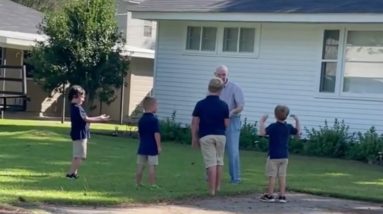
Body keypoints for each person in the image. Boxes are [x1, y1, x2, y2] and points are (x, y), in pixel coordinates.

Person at [191, 78, 230, 196]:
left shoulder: (200, 104)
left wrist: (194, 137)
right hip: (220, 135)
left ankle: (211, 190)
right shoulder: (224, 105)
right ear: (220, 90)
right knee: (219, 161)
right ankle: (218, 187)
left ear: (208, 88)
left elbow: (194, 123)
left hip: (206, 135)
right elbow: (226, 123)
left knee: (210, 163)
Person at [258, 105, 301, 203]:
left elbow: (262, 133)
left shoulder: (273, 127)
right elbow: (298, 132)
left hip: (273, 156)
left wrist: (262, 121)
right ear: (287, 115)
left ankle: (270, 195)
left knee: (272, 176)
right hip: (284, 156)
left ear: (275, 115)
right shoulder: (288, 127)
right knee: (282, 176)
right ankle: (282, 195)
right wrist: (297, 120)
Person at [66, 85, 110, 179]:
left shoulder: (75, 107)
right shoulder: (77, 108)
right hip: (80, 135)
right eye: (82, 96)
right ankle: (70, 174)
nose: (83, 98)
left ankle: (74, 174)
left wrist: (99, 117)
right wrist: (100, 119)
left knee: (77, 156)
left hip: (78, 134)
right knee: (80, 156)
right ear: (75, 96)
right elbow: (86, 119)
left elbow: (85, 119)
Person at [214, 65, 245, 184]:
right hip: (216, 121)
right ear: (215, 74)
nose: (221, 77)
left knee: (232, 151)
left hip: (232, 121)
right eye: (219, 74)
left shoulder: (235, 88)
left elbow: (240, 106)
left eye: (224, 75)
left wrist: (230, 112)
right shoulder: (212, 87)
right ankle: (212, 176)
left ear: (227, 75)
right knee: (214, 149)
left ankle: (235, 178)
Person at [136, 96, 162, 188]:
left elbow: (139, 133)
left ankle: (138, 183)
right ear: (152, 106)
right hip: (152, 147)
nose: (157, 107)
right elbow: (156, 134)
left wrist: (141, 141)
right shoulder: (154, 120)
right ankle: (152, 184)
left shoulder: (141, 120)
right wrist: (158, 146)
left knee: (140, 165)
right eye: (156, 105)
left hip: (142, 146)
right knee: (152, 166)